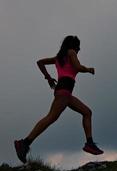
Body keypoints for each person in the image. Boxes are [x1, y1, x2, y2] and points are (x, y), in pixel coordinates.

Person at [14, 35, 103, 164]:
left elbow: (40, 62)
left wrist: (48, 78)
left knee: (87, 112)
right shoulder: (71, 52)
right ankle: (24, 143)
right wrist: (88, 69)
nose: (79, 50)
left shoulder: (58, 58)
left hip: (65, 92)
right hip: (64, 92)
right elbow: (78, 67)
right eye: (78, 46)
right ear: (74, 46)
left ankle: (89, 144)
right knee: (51, 117)